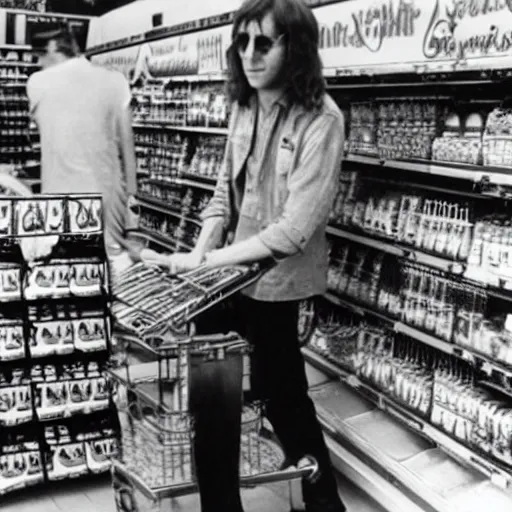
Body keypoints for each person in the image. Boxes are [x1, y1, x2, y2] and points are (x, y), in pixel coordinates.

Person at [141, 0, 346, 510]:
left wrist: (209, 262)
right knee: (211, 401)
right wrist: (198, 255)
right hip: (222, 279)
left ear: (294, 48)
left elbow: (295, 230)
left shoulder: (322, 120)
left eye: (264, 42)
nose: (249, 54)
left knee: (284, 399)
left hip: (277, 284)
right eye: (242, 41)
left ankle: (325, 505)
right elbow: (220, 197)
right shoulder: (242, 105)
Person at [26, 23, 139, 263]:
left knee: (63, 283)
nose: (38, 63)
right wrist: (133, 221)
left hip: (57, 214)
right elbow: (128, 154)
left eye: (39, 56)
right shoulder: (116, 82)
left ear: (54, 47)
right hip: (107, 212)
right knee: (105, 283)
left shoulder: (36, 83)